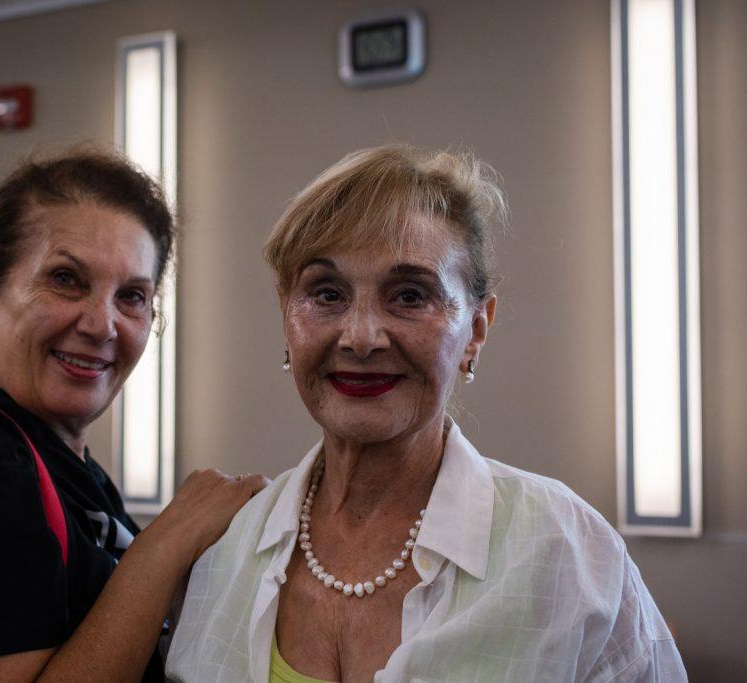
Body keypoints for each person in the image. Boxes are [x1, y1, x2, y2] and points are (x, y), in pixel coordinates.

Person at [165, 144, 687, 682]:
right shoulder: (222, 554)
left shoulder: (568, 551)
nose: (361, 337)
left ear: (476, 331)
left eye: (410, 295)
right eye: (326, 294)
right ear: (285, 316)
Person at [0, 148, 265, 681]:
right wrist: (168, 541)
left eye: (131, 296)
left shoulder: (66, 470)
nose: (102, 324)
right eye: (67, 279)